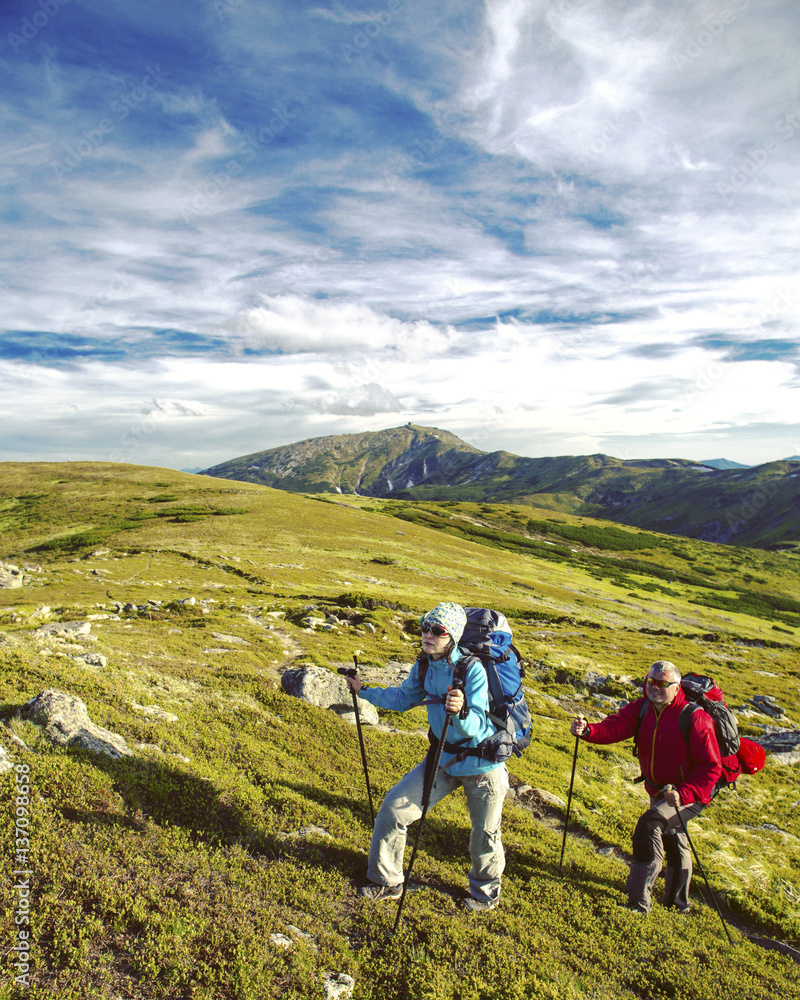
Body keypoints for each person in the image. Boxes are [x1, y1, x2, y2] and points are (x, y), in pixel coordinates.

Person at [346, 602, 509, 912]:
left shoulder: (471, 669)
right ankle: (387, 880)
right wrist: (363, 690)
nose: (428, 635)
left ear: (454, 637)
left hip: (482, 765)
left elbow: (477, 725)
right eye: (425, 628)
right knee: (394, 807)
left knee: (484, 835)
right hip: (443, 757)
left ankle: (485, 896)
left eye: (438, 631)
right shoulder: (424, 664)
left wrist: (459, 710)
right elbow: (404, 698)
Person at [570, 660, 722, 914]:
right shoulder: (643, 708)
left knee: (649, 826)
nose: (655, 687)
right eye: (651, 681)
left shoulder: (695, 718)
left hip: (690, 794)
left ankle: (638, 903)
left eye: (663, 684)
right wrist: (588, 731)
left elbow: (711, 767)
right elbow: (615, 727)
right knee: (674, 838)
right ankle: (677, 904)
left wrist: (683, 794)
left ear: (676, 688)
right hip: (659, 790)